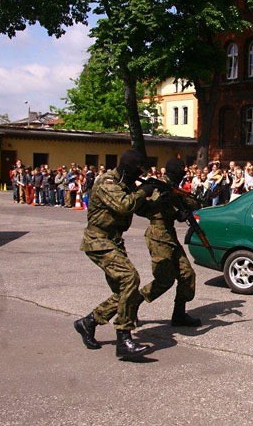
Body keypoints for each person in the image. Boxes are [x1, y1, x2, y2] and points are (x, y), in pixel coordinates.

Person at [73, 149, 155, 360]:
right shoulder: (107, 182)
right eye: (137, 173)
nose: (139, 178)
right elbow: (124, 205)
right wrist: (144, 190)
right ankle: (124, 339)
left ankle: (89, 322)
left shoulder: (125, 184)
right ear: (128, 170)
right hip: (98, 241)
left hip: (113, 241)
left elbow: (139, 207)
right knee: (130, 278)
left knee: (124, 293)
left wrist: (160, 197)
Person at [135, 158, 203, 327]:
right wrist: (168, 207)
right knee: (164, 280)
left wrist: (181, 210)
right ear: (174, 171)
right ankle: (131, 305)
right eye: (182, 170)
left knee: (187, 274)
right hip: (158, 235)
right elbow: (144, 208)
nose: (184, 173)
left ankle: (179, 314)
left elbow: (183, 204)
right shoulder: (159, 186)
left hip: (169, 234)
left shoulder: (172, 187)